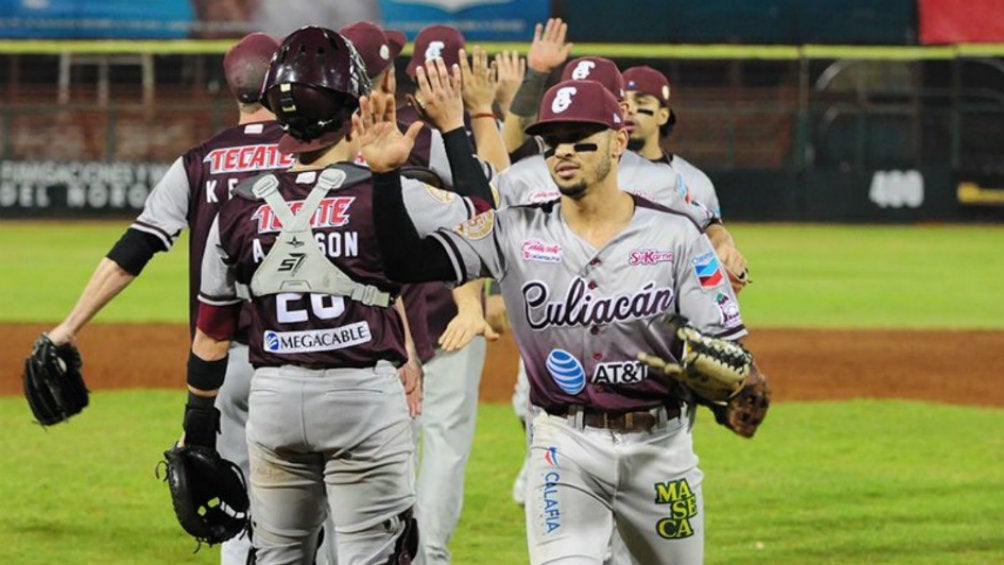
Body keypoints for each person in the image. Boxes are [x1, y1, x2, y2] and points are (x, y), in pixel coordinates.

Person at [367, 77, 766, 565]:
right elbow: (408, 264)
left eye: (582, 141)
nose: (564, 153)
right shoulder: (513, 229)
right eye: (552, 143)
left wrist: (733, 384)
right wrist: (385, 181)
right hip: (564, 447)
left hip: (662, 453)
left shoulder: (677, 235)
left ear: (620, 141)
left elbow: (728, 351)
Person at [180, 26, 493, 565]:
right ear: (355, 110)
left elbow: (211, 332)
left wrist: (198, 432)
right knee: (375, 556)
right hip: (361, 400)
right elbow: (484, 227)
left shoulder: (239, 205)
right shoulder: (385, 193)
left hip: (273, 397)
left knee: (275, 556)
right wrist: (455, 128)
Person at [40, 32, 291, 565]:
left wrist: (68, 327)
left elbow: (135, 247)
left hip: (220, 363)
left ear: (233, 90)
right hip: (304, 355)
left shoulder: (198, 162)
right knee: (315, 512)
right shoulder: (315, 154)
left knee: (236, 510)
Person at [396, 25, 508, 565]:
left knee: (395, 441)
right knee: (443, 439)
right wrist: (486, 112)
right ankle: (428, 555)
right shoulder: (449, 135)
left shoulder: (386, 126)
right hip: (452, 302)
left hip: (388, 314)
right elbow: (495, 198)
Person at [623, 65, 721, 218]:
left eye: (641, 101)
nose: (628, 109)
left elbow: (711, 237)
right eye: (622, 101)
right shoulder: (599, 174)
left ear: (663, 116)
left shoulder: (694, 182)